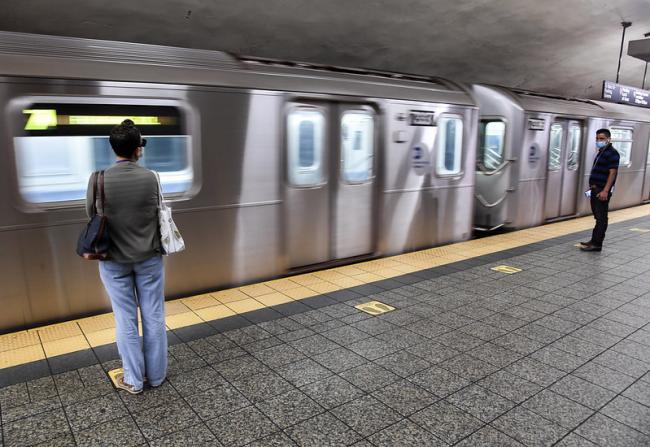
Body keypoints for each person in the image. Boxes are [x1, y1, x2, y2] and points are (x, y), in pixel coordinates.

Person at [86, 119, 166, 394]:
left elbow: (91, 215)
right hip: (149, 258)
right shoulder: (152, 178)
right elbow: (158, 215)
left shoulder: (99, 179)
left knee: (125, 317)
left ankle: (133, 379)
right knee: (154, 315)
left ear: (114, 149)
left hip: (113, 260)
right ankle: (156, 376)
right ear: (138, 150)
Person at [580, 128, 620, 252]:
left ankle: (597, 244)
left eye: (602, 139)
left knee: (602, 218)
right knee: (598, 217)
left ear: (609, 139)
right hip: (595, 189)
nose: (598, 141)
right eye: (597, 138)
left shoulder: (612, 153)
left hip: (602, 191)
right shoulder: (601, 152)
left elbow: (612, 173)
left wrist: (605, 191)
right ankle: (594, 240)